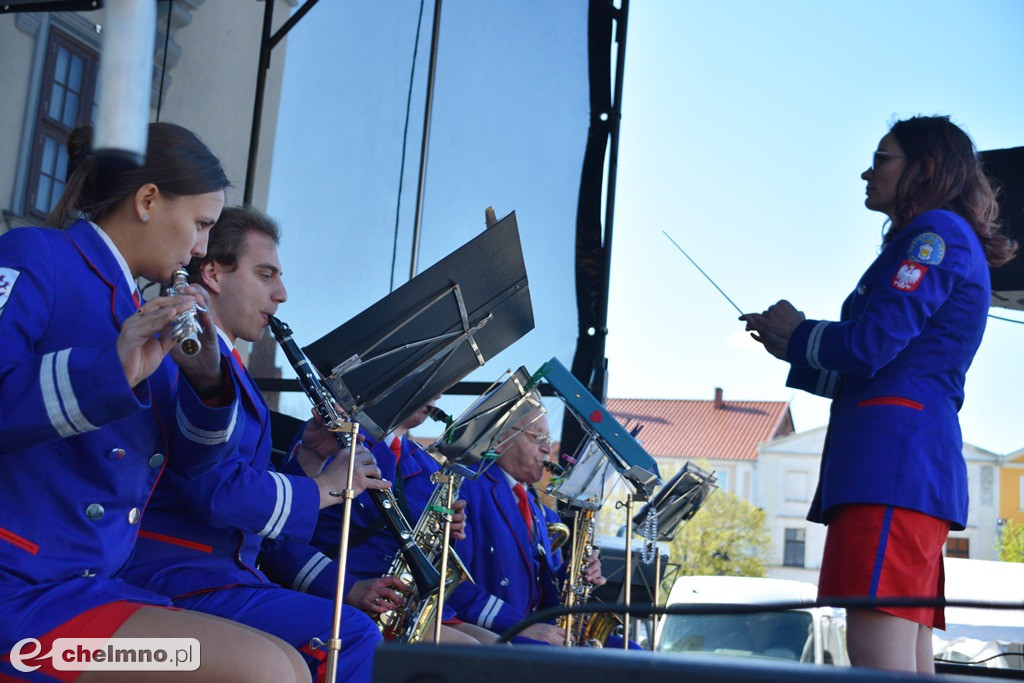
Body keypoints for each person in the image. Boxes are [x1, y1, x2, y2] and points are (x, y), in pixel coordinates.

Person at [0, 123, 311, 681]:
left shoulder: (144, 310)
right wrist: (110, 370)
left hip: (85, 591)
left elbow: (195, 466)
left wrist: (207, 382)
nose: (201, 248)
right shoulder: (38, 255)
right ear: (146, 201)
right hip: (20, 595)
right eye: (201, 224)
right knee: (264, 671)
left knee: (290, 663)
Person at [740, 115, 1017, 673]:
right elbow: (886, 364)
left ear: (926, 168)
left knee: (876, 660)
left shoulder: (934, 235)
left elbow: (872, 344)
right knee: (905, 659)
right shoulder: (945, 235)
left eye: (881, 159)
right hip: (909, 469)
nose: (867, 173)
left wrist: (801, 333)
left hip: (891, 466)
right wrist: (795, 346)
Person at [119, 206, 389, 683]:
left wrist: (308, 458)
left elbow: (239, 483)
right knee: (351, 636)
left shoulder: (224, 363)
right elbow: (215, 490)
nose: (281, 294)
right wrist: (325, 488)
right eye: (265, 275)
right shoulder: (186, 356)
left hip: (217, 576)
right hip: (178, 576)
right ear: (213, 274)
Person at [260, 400, 497, 644]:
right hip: (343, 601)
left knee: (499, 646)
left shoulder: (427, 463)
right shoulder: (336, 435)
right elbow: (278, 538)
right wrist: (350, 588)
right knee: (474, 650)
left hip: (407, 607)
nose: (436, 396)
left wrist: (447, 531)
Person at [447, 408, 608, 646]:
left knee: (630, 650)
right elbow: (452, 582)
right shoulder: (468, 482)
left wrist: (574, 573)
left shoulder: (538, 508)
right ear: (500, 440)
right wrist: (521, 626)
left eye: (548, 439)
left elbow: (543, 587)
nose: (547, 448)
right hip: (493, 632)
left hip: (531, 629)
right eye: (538, 437)